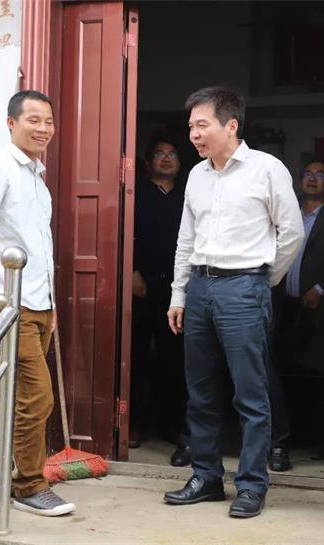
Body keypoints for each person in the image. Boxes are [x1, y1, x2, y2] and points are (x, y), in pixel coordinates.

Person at [163, 86, 304, 518]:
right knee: (201, 391)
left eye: (202, 125)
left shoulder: (267, 169)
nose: (194, 134)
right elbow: (186, 239)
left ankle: (251, 484)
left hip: (244, 287)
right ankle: (206, 477)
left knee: (250, 393)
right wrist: (179, 293)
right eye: (191, 126)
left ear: (231, 125)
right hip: (200, 288)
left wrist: (261, 279)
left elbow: (292, 232)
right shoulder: (196, 175)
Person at [0, 90, 75, 516]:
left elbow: (37, 246)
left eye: (49, 121)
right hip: (9, 304)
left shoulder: (36, 179)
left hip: (37, 303)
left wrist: (50, 306)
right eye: (33, 120)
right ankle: (28, 485)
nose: (43, 128)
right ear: (11, 123)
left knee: (7, 394)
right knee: (38, 395)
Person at [268, 160, 324, 472]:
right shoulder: (286, 215)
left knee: (318, 374)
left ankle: (321, 440)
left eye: (320, 174)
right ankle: (288, 436)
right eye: (307, 174)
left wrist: (321, 289)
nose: (312, 179)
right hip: (283, 305)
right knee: (282, 372)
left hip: (319, 308)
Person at [130, 138, 189, 466]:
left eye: (172, 154)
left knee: (174, 360)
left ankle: (173, 426)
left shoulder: (188, 194)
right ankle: (135, 424)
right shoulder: (136, 194)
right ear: (149, 161)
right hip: (141, 285)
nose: (166, 159)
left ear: (180, 162)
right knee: (136, 356)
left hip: (177, 289)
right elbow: (126, 233)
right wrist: (133, 271)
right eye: (159, 154)